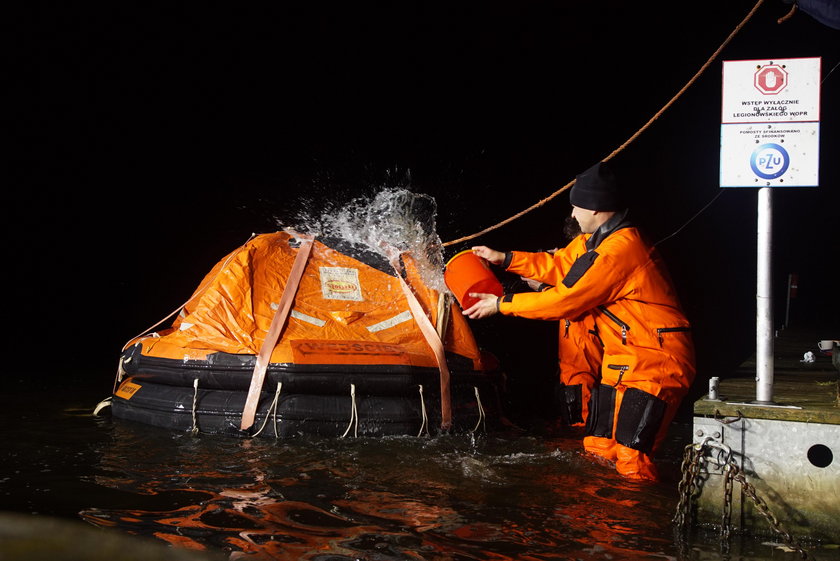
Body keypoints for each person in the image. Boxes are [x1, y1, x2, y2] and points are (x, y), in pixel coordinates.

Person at [463, 161, 696, 481]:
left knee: (632, 458)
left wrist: (502, 305)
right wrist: (505, 259)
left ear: (597, 209)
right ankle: (599, 525)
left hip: (656, 360)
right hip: (622, 362)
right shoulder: (596, 240)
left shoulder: (619, 250)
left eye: (576, 208)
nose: (572, 216)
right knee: (598, 448)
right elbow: (560, 263)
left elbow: (565, 299)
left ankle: (631, 526)